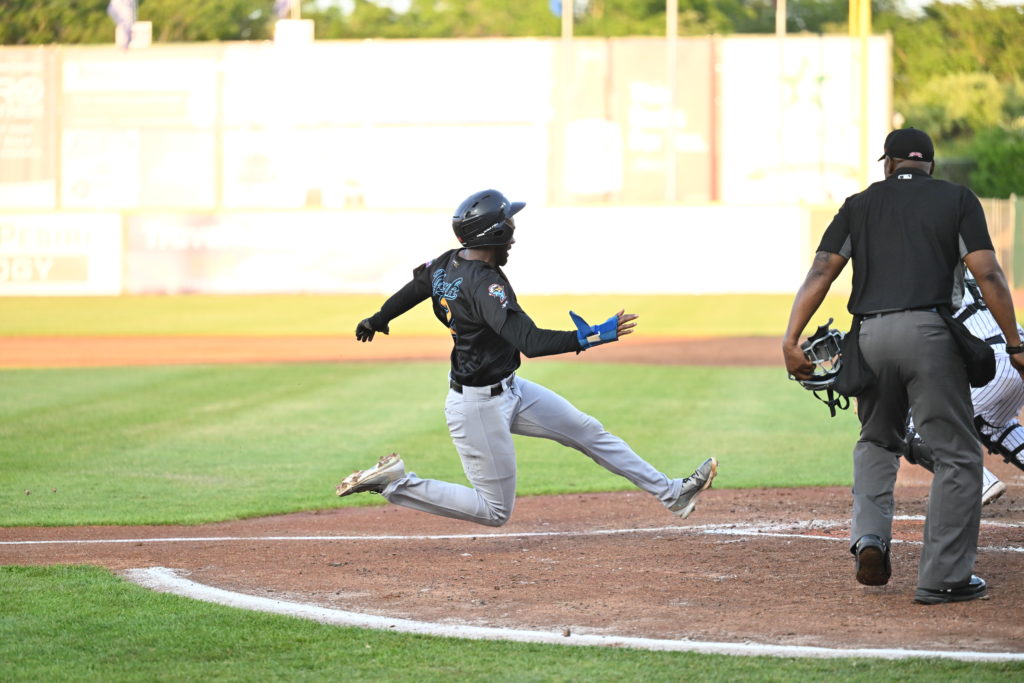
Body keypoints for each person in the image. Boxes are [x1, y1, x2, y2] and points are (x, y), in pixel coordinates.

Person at [336, 189, 718, 527]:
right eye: (509, 226)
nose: (514, 237)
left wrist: (378, 318)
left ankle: (673, 493)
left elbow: (415, 288)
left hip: (510, 390)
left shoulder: (447, 262)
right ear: (495, 233)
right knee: (494, 511)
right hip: (477, 407)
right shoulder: (487, 284)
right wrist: (593, 335)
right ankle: (395, 482)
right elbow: (530, 342)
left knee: (587, 431)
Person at [782, 127, 1024, 605]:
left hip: (868, 337)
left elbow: (821, 271)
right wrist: (1014, 343)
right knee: (956, 455)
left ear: (888, 163)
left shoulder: (857, 204)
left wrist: (791, 337)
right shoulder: (957, 199)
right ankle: (943, 579)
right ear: (929, 165)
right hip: (930, 335)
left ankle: (869, 539)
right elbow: (988, 272)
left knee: (877, 439)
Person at [905, 269, 1024, 505]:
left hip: (993, 366)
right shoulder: (968, 264)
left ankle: (980, 482)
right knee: (994, 426)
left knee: (911, 424)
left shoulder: (918, 277)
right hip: (1017, 357)